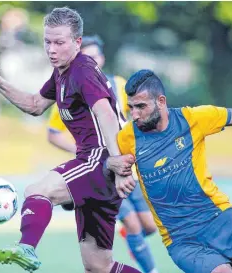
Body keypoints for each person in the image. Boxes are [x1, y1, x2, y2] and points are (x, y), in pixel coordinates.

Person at [0, 7, 141, 273]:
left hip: (99, 160)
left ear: (78, 42)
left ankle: (26, 248)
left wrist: (116, 163)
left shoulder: (82, 69)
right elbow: (34, 104)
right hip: (99, 166)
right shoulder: (62, 72)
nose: (51, 49)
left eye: (59, 42)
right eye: (47, 42)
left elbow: (107, 114)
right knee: (99, 266)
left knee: (37, 191)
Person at [105, 69, 232, 273]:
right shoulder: (127, 137)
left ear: (161, 101)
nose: (134, 114)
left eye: (141, 106)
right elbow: (104, 166)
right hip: (181, 238)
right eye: (131, 107)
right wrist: (112, 165)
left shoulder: (193, 118)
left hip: (221, 219)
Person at [47, 35, 159, 273]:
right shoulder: (70, 92)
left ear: (102, 58)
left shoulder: (119, 84)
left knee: (149, 226)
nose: (91, 61)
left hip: (127, 166)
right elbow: (53, 133)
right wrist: (83, 151)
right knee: (133, 224)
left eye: (94, 56)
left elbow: (137, 115)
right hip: (100, 171)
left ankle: (129, 236)